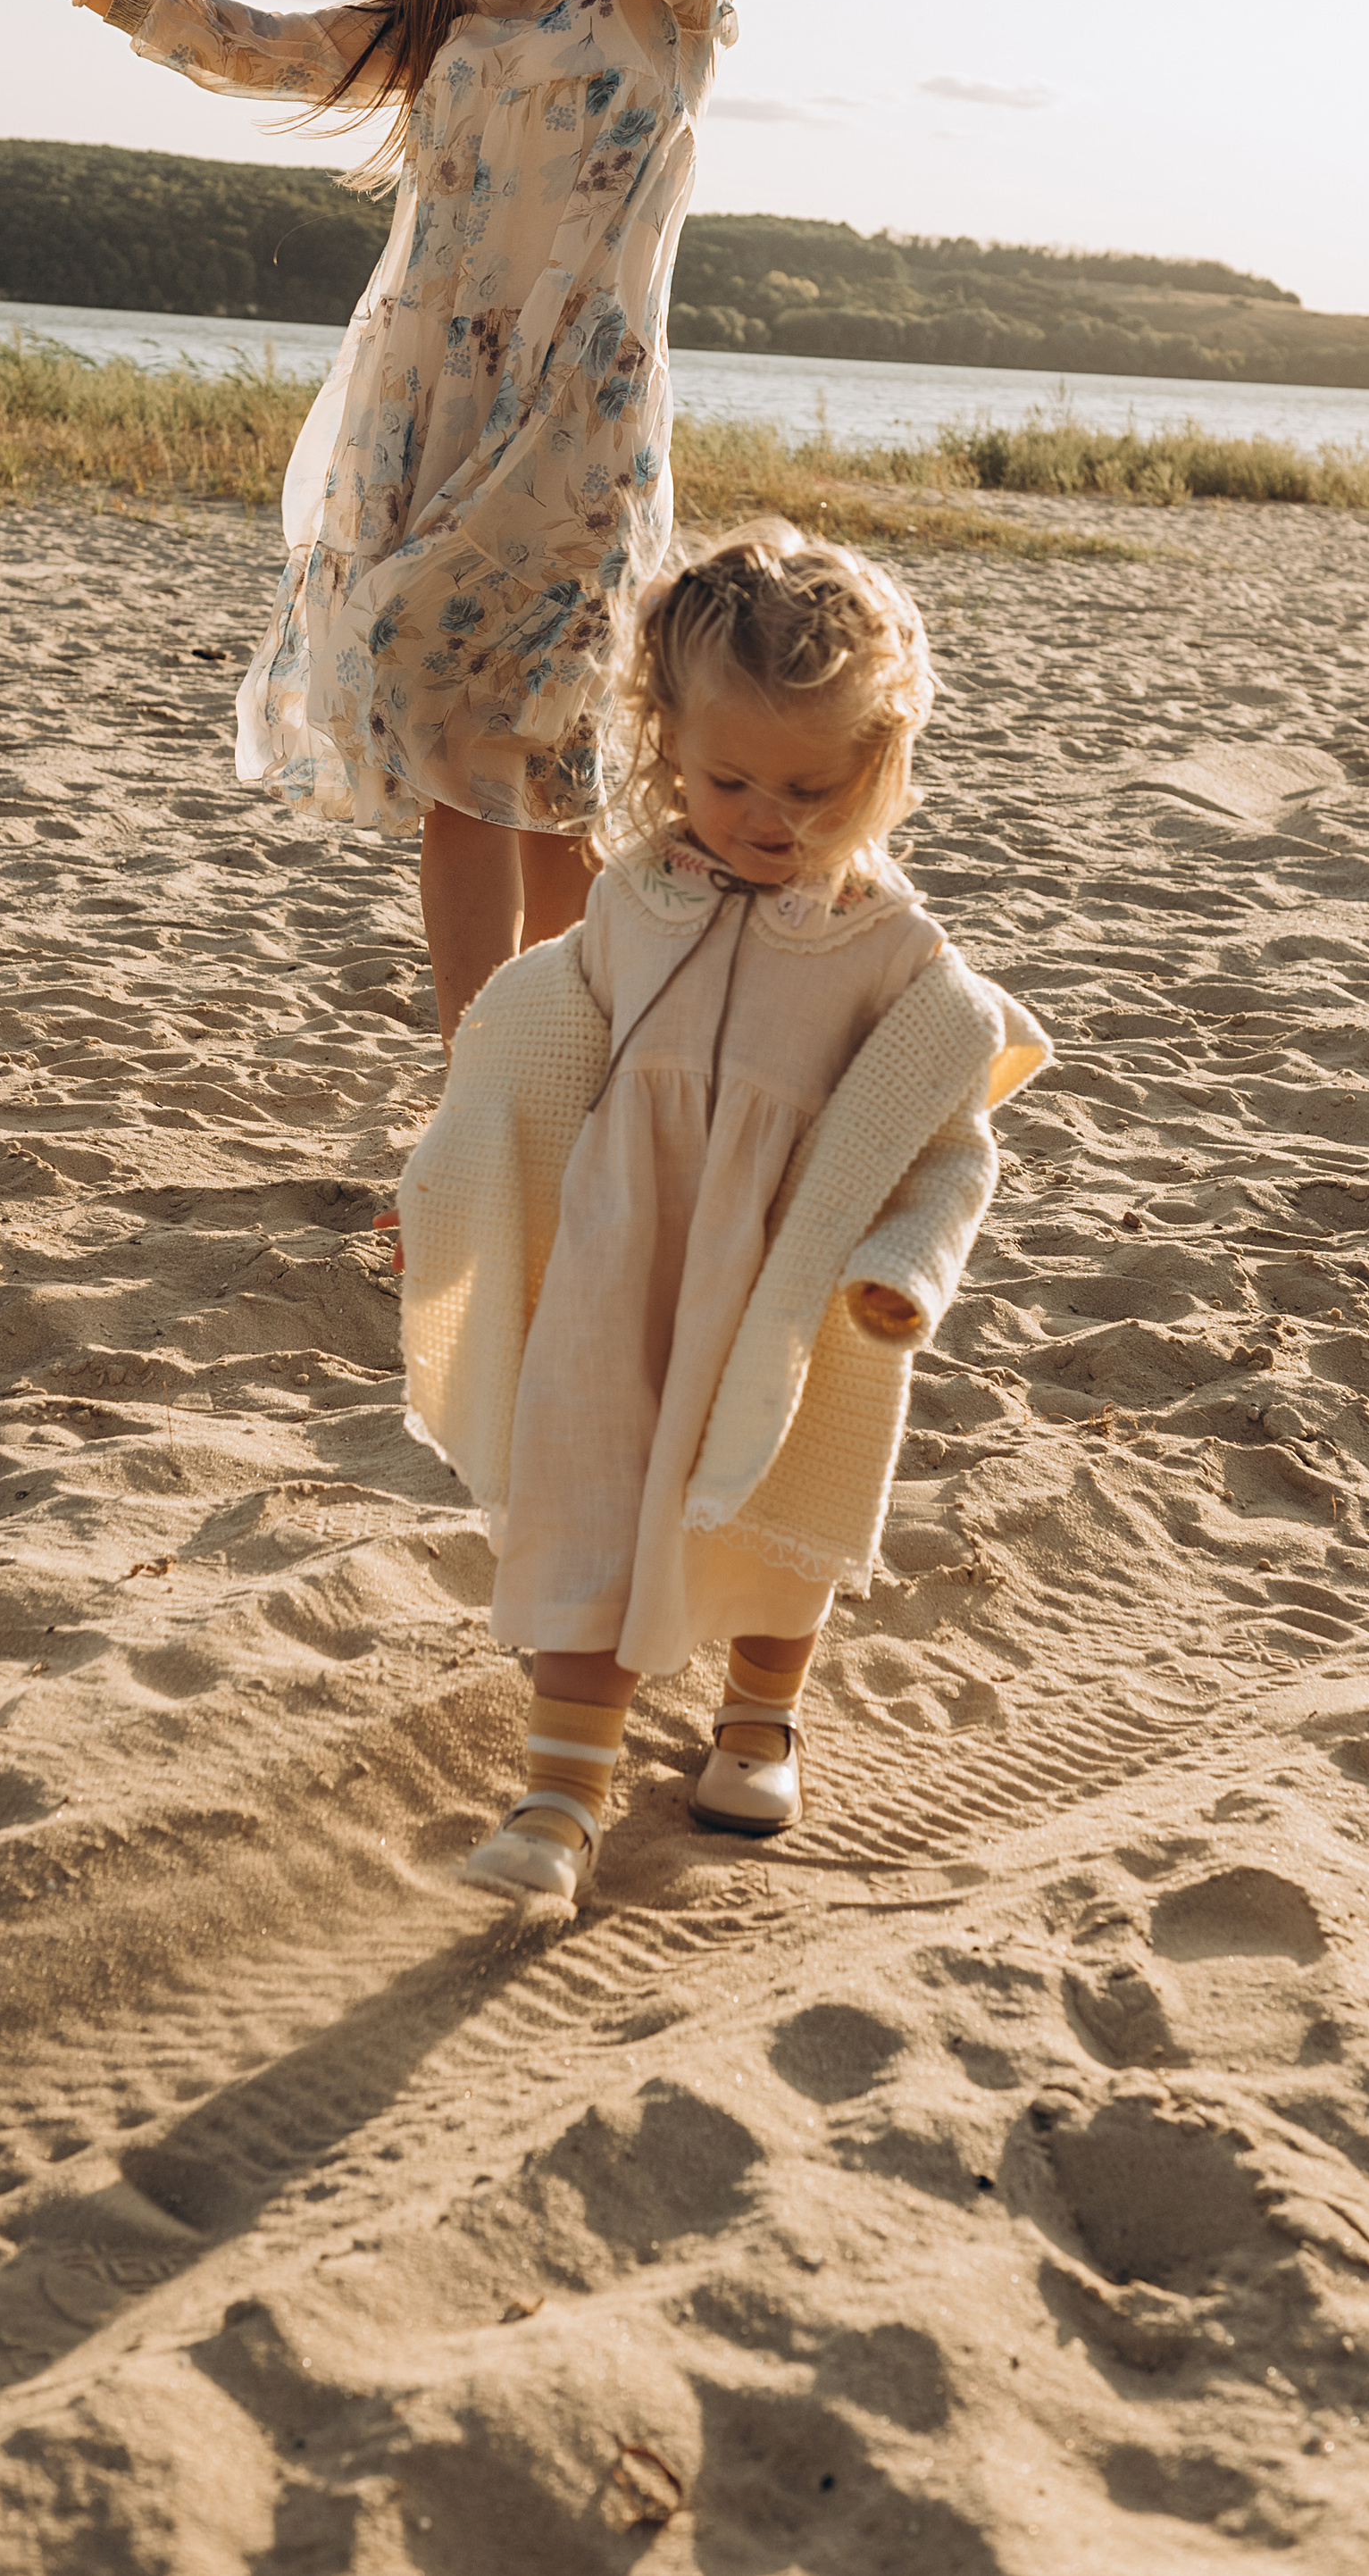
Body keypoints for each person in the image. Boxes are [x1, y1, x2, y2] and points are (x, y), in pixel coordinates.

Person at [0, 0, 737, 1046]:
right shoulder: (461, 15)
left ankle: (560, 1096)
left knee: (551, 780)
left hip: (578, 433)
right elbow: (260, 48)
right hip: (436, 425)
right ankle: (480, 1099)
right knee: (455, 746)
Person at [395, 523, 1052, 1905]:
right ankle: (559, 1799)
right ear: (663, 745)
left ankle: (761, 1714)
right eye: (729, 776)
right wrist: (459, 1179)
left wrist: (901, 1272)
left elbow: (946, 1143)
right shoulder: (634, 900)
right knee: (585, 1482)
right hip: (617, 1262)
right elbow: (529, 1046)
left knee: (771, 1493)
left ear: (881, 765)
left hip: (786, 1283)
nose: (768, 815)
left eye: (815, 786)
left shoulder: (897, 958)